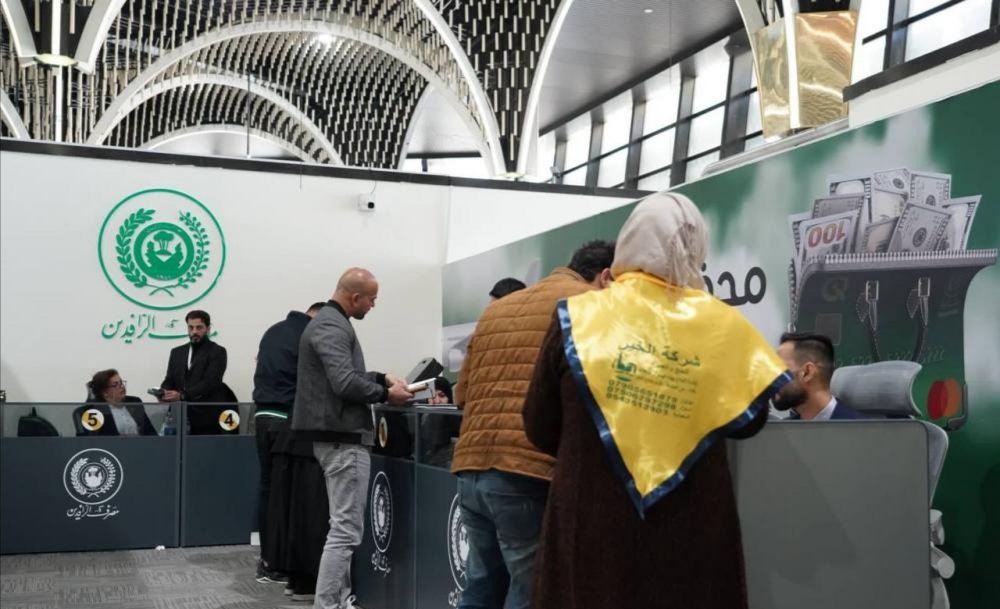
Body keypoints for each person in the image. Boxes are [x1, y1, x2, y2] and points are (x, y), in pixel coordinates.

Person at [522, 193, 789, 609]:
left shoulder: (577, 317)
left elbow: (539, 425)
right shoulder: (723, 325)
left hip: (590, 517)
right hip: (691, 523)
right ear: (697, 249)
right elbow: (750, 421)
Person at [451, 240, 615, 609]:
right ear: (606, 277)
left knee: (480, 589)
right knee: (531, 593)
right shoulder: (586, 305)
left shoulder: (497, 309)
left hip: (471, 466)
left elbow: (462, 395)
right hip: (526, 472)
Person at [291, 268, 412, 609]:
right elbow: (344, 383)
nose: (373, 306)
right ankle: (328, 604)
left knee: (341, 528)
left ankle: (339, 601)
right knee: (345, 532)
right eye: (372, 299)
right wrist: (387, 394)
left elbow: (346, 374)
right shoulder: (332, 325)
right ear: (355, 297)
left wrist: (381, 377)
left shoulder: (330, 322)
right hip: (342, 439)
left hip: (336, 438)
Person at [253, 302, 326, 584]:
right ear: (317, 317)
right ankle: (283, 564)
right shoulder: (308, 334)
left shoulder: (273, 331)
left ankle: (267, 561)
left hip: (262, 416)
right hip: (287, 419)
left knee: (267, 489)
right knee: (288, 495)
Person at [158, 310, 232, 435]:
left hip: (206, 418)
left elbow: (211, 382)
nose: (194, 332)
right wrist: (163, 392)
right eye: (191, 327)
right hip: (180, 417)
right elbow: (170, 379)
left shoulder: (217, 351)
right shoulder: (177, 352)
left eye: (199, 327)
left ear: (208, 328)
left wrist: (182, 395)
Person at [773, 332, 867, 420]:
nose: (771, 378)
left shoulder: (861, 430)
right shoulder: (784, 429)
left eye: (778, 369)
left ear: (807, 372)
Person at [78, 369, 156, 436]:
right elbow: (90, 439)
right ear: (104, 392)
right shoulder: (93, 411)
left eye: (121, 383)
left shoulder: (134, 402)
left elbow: (150, 432)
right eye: (115, 385)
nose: (121, 386)